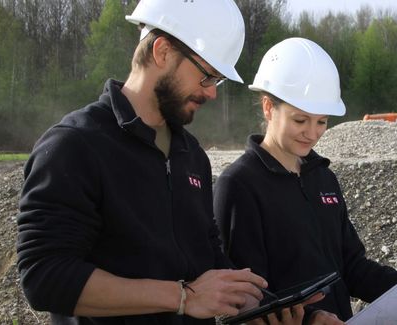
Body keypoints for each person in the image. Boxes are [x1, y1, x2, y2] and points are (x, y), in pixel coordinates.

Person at [15, 1, 288, 324]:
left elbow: (208, 253)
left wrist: (265, 306)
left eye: (217, 81)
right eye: (206, 77)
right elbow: (44, 276)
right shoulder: (75, 146)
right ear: (162, 51)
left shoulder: (192, 156)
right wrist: (183, 296)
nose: (212, 94)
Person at [213, 37, 397, 324]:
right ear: (269, 108)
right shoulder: (239, 185)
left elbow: (352, 268)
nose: (312, 132)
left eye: (321, 121)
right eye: (300, 120)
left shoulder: (323, 178)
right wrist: (310, 319)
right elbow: (244, 298)